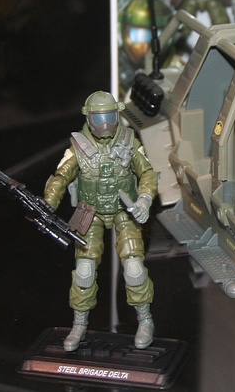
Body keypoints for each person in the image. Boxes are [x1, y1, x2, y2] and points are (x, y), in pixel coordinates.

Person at [43, 91, 159, 351]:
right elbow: (60, 177)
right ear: (89, 118)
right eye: (99, 118)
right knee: (84, 271)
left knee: (134, 268)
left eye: (110, 117)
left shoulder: (130, 142)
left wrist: (144, 200)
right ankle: (79, 324)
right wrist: (48, 202)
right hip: (89, 212)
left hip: (124, 210)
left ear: (117, 115)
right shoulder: (77, 147)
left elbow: (148, 174)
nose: (105, 124)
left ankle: (145, 320)